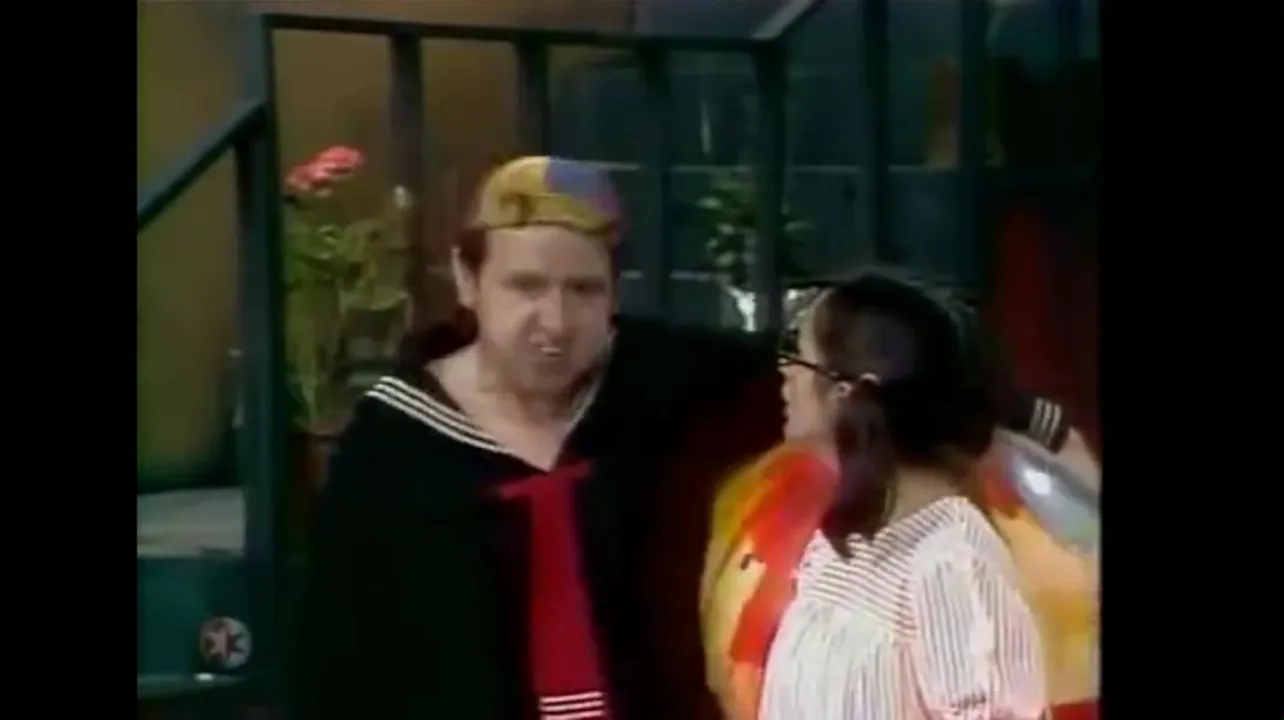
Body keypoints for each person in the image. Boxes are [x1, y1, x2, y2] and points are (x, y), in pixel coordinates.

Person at [287, 156, 782, 719]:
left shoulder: (671, 383)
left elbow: (825, 372)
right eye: (526, 287)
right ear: (468, 280)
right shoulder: (394, 442)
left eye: (584, 290)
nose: (556, 322)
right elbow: (330, 664)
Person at [702, 274, 1098, 720]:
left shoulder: (951, 562)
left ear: (850, 393)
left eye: (801, 356)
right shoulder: (841, 544)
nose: (785, 372)